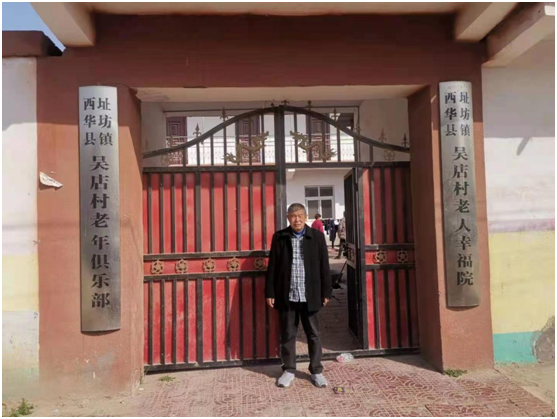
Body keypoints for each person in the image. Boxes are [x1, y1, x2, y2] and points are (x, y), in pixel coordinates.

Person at [265, 203, 331, 389]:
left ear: (306, 217)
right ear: (288, 218)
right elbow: (273, 267)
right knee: (287, 334)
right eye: (293, 216)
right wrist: (270, 292)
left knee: (314, 334)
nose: (297, 219)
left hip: (310, 294)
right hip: (288, 294)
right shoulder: (279, 237)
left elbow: (324, 266)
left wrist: (326, 292)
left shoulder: (316, 237)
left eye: (300, 216)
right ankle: (288, 369)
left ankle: (316, 370)